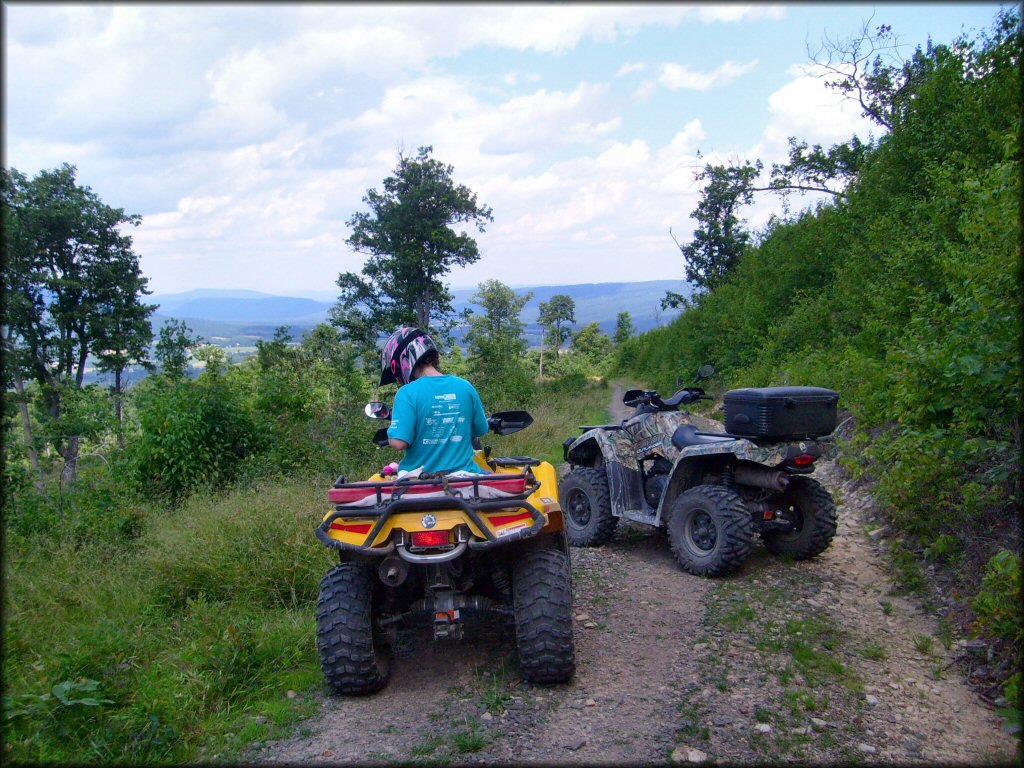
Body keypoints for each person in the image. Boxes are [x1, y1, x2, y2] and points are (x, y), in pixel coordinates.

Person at [380, 326, 489, 475]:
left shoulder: (407, 393)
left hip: (420, 480)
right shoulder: (465, 386)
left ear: (400, 362)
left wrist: (393, 432)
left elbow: (399, 443)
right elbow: (481, 430)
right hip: (465, 477)